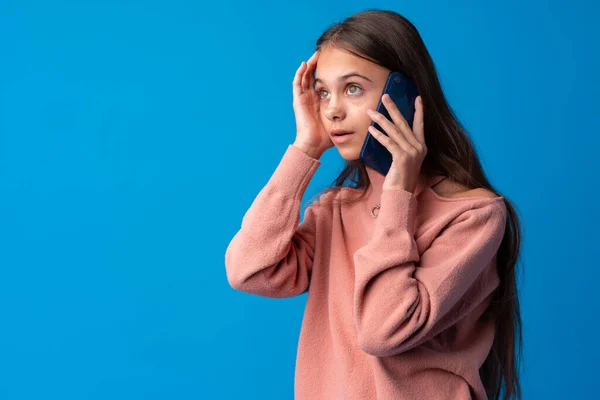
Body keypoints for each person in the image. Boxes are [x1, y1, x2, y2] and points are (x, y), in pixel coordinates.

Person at [225, 9, 523, 400]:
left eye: (352, 88)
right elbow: (249, 269)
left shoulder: (474, 215)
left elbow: (383, 331)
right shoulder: (333, 211)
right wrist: (306, 148)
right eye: (322, 91)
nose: (332, 109)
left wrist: (398, 193)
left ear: (405, 96)